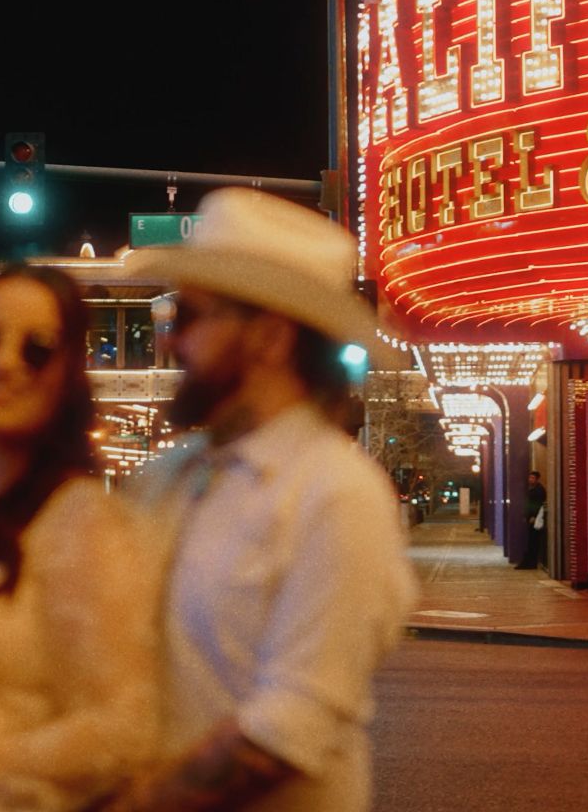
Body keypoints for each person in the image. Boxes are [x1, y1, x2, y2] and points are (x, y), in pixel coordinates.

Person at [106, 187, 416, 812]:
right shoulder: (169, 476)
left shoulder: (339, 495)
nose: (168, 341)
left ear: (269, 337)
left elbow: (286, 730)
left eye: (188, 317)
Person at [0, 264, 157, 812]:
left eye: (36, 349)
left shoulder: (85, 523)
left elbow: (121, 729)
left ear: (69, 372)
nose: (4, 364)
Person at [515, 469, 547, 570]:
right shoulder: (532, 489)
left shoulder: (539, 490)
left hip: (535, 518)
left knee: (533, 541)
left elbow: (537, 504)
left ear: (537, 479)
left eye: (532, 478)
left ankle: (530, 562)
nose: (530, 479)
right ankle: (530, 562)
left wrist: (533, 515)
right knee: (531, 541)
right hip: (531, 518)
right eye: (530, 477)